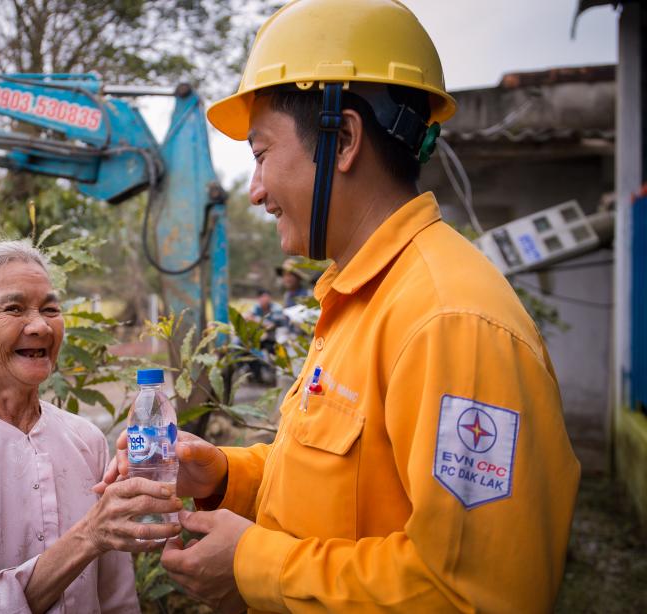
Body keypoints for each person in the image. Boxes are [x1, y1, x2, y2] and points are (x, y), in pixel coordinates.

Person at [99, 0, 579, 611]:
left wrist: (252, 564)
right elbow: (339, 484)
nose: (256, 191)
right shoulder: (363, 297)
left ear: (343, 140)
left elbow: (475, 593)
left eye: (262, 154)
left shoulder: (449, 322)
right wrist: (225, 473)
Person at [0, 240, 182, 613]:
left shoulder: (85, 439)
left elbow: (116, 595)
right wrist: (89, 535)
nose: (41, 325)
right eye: (13, 308)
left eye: (51, 308)